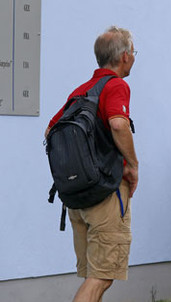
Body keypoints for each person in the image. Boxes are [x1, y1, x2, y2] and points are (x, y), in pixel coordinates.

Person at [46, 26, 139, 302]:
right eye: (133, 52)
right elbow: (119, 124)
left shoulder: (82, 90)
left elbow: (50, 132)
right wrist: (132, 165)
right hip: (106, 195)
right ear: (124, 56)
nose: (134, 57)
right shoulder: (116, 85)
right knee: (102, 276)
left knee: (93, 275)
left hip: (76, 196)